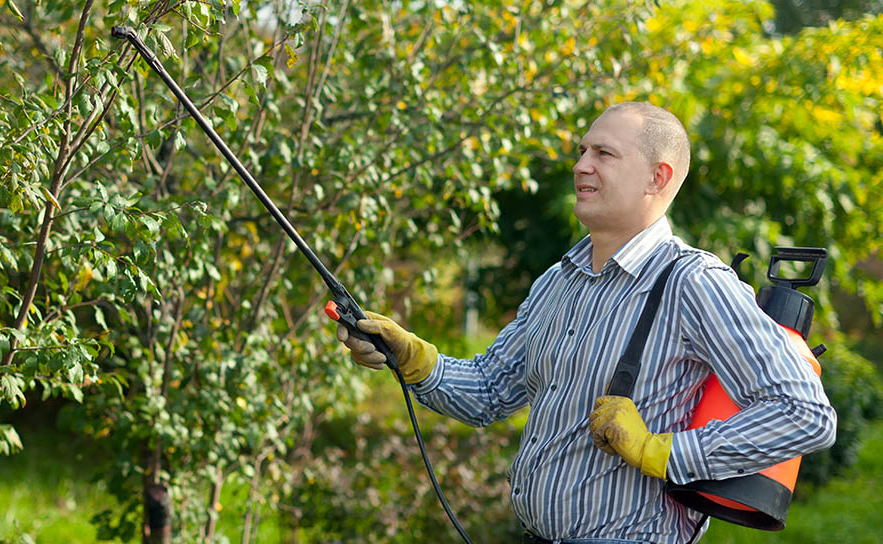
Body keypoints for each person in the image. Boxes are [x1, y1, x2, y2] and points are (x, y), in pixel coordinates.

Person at [336, 102, 836, 543]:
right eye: (581, 152)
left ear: (657, 177)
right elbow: (490, 392)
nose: (581, 166)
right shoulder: (559, 280)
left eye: (604, 154)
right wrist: (414, 359)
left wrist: (662, 451)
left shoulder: (695, 282)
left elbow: (806, 414)